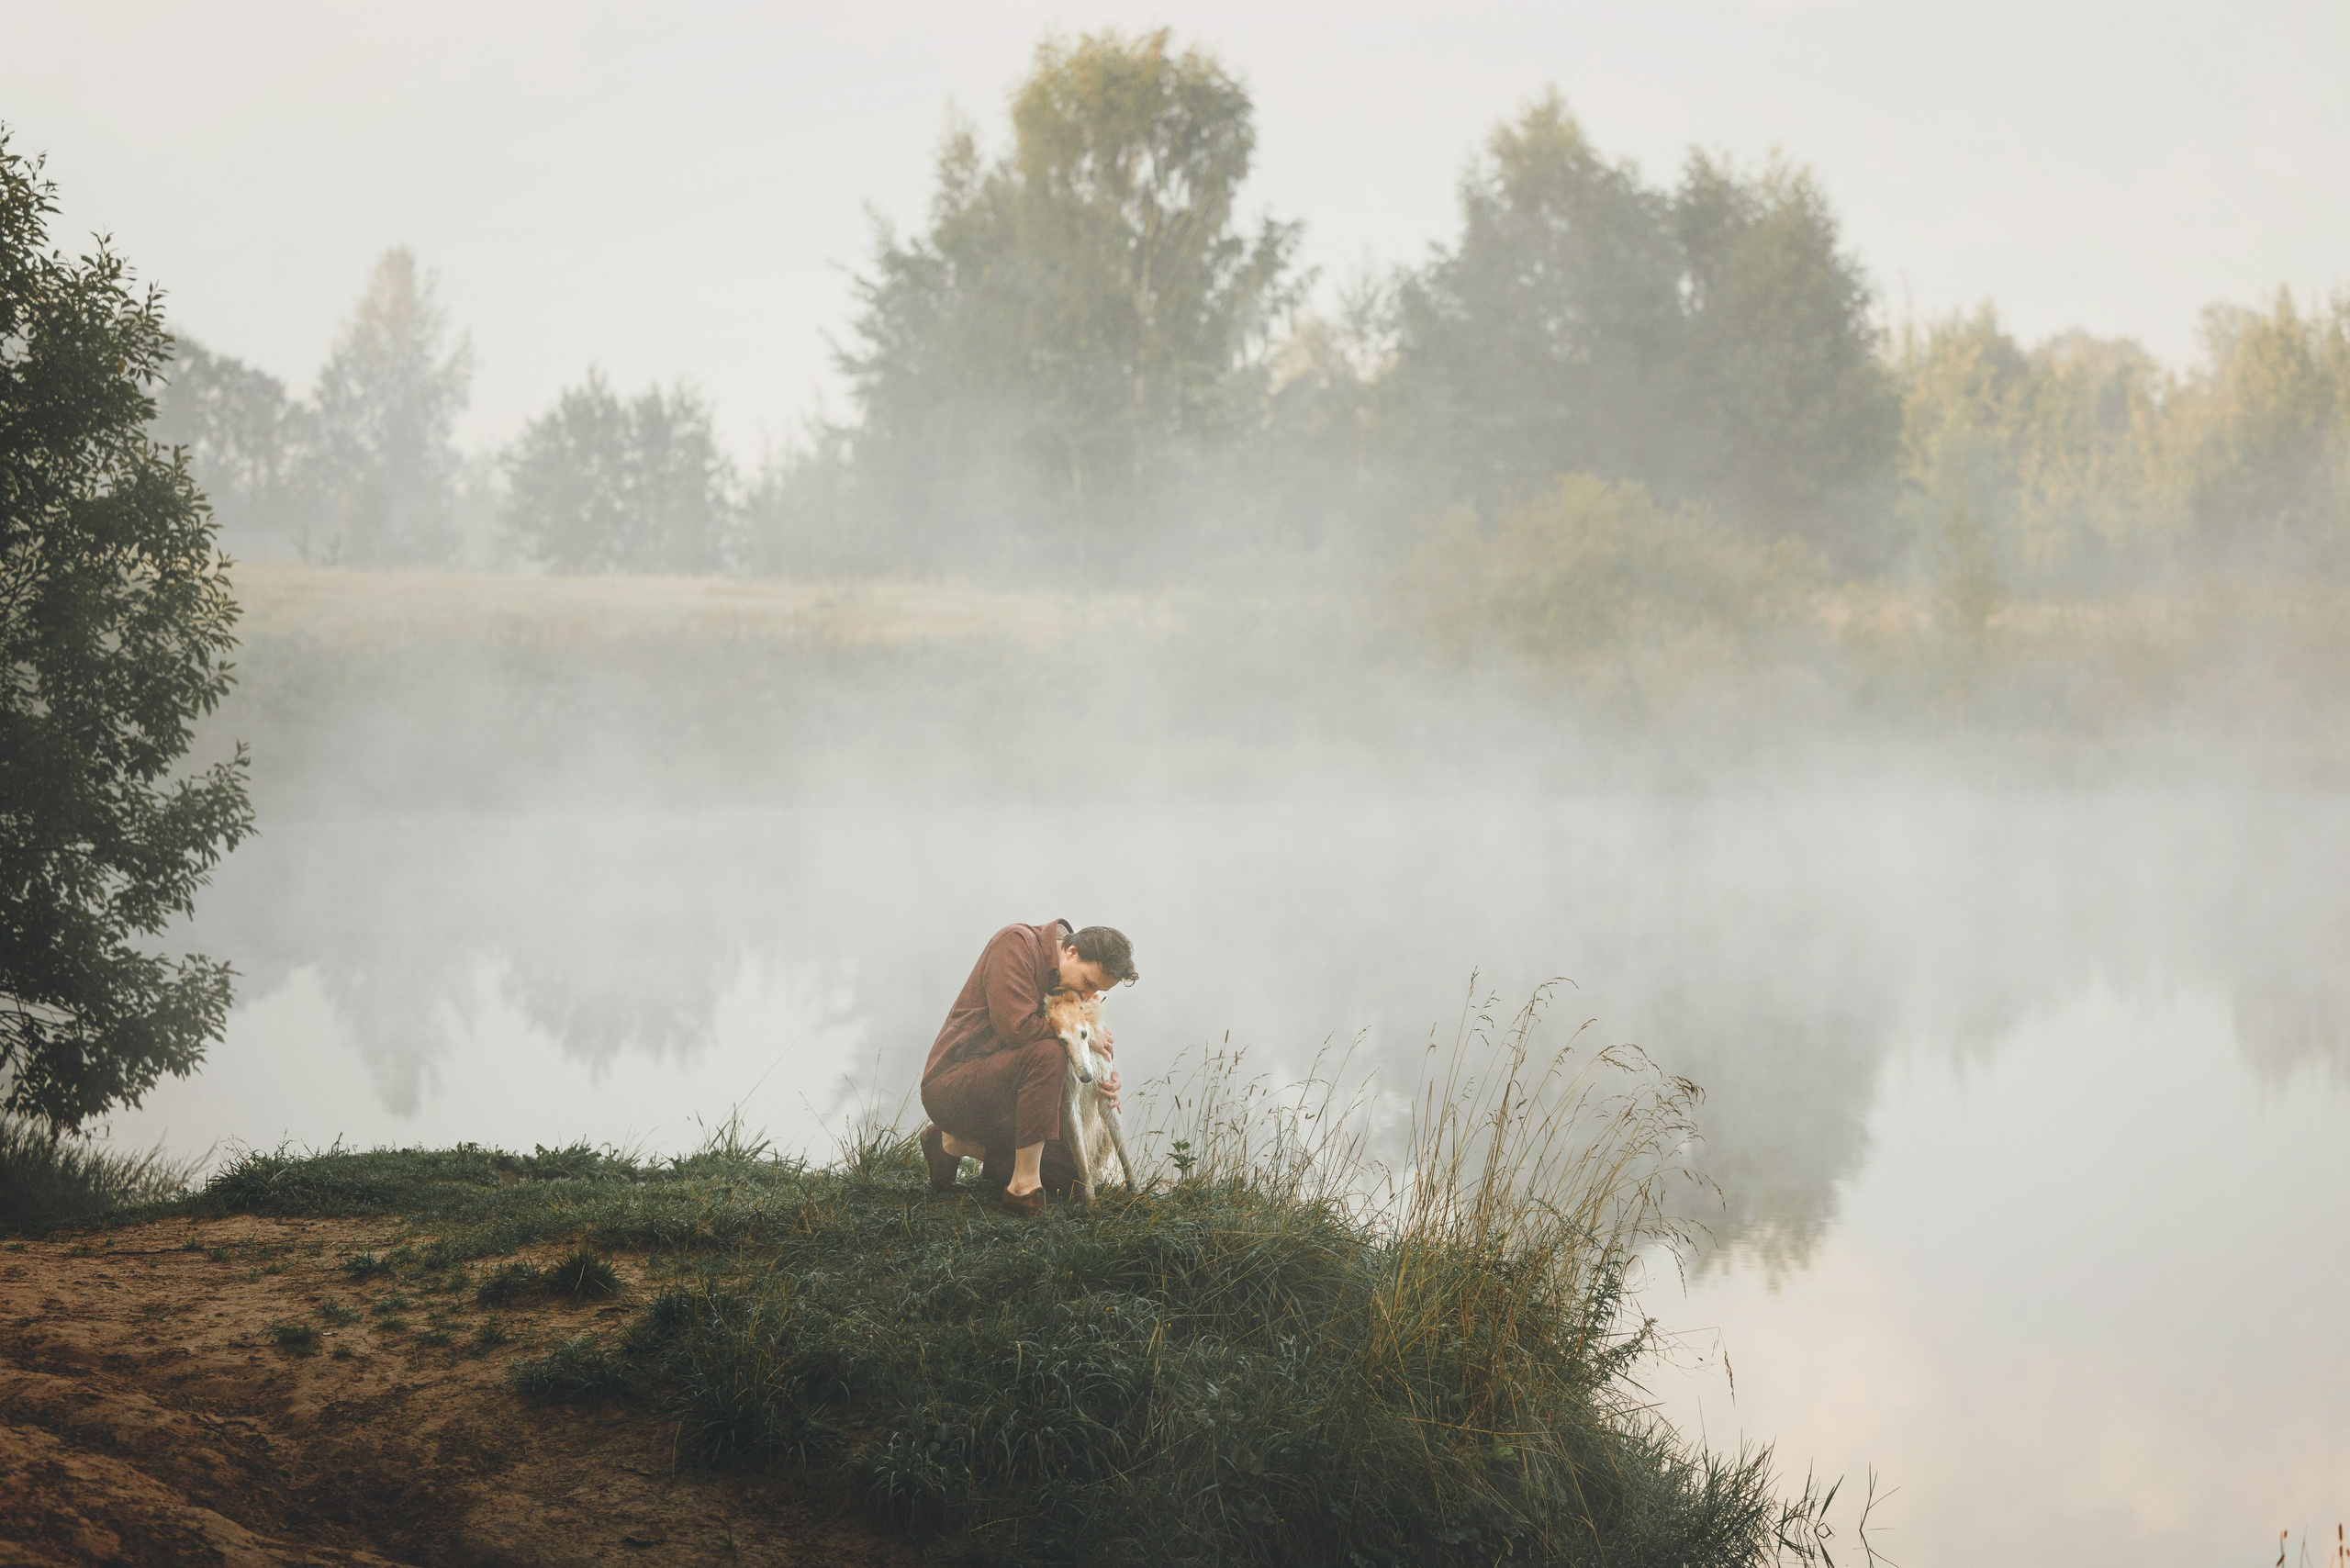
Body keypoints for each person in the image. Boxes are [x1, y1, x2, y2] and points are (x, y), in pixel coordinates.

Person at [919, 919, 1136, 1216]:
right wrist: (1082, 1035)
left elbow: (1077, 1028)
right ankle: (1023, 1187)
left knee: (1068, 1177)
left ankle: (951, 1143)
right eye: (1088, 985)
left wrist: (1101, 1069)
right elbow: (1017, 1030)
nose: (1088, 998)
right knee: (1050, 1053)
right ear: (1071, 952)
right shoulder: (1014, 945)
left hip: (1006, 1089)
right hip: (954, 1085)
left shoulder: (1067, 974)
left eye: (1097, 991)